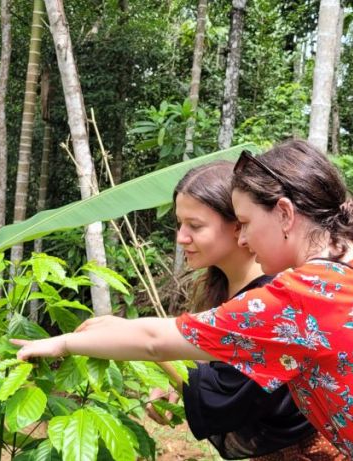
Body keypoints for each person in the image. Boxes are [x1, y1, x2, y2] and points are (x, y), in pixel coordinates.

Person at [13, 140, 353, 461]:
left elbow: (155, 340)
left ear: (283, 214)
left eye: (247, 223)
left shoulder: (300, 298)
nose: (246, 239)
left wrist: (62, 343)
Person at [145, 161, 341, 460]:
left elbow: (226, 395)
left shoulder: (271, 300)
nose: (181, 237)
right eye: (179, 224)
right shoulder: (222, 287)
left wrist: (156, 351)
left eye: (195, 226)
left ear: (240, 225)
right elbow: (215, 366)